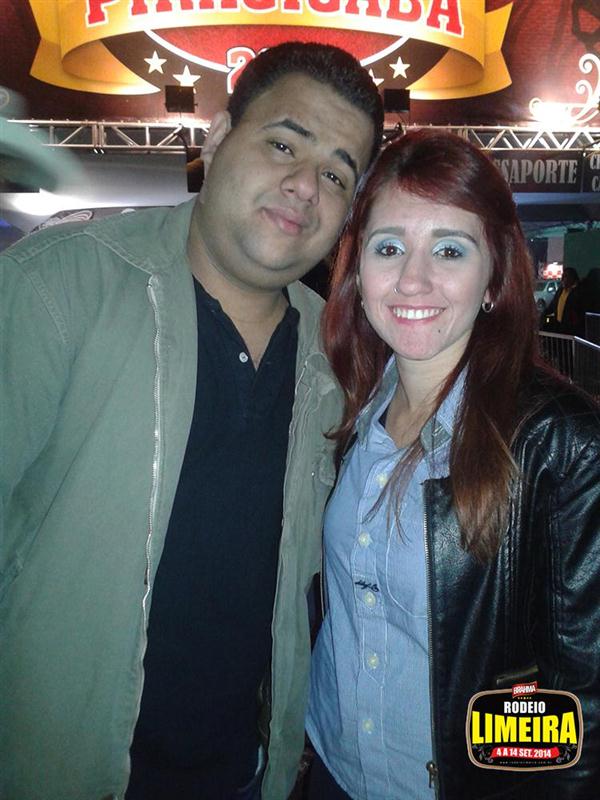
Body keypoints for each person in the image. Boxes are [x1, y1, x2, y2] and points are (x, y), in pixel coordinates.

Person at [0, 42, 383, 800]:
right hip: (56, 769)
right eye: (284, 144)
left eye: (337, 175)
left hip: (249, 774)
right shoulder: (61, 285)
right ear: (218, 137)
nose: (305, 186)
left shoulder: (340, 360)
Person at [306, 130, 600, 799]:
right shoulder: (352, 409)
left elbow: (584, 700)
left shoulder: (561, 442)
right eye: (388, 248)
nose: (413, 280)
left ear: (494, 275)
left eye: (449, 249)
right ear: (358, 270)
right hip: (333, 769)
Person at [542, 266, 584, 335]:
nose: (562, 279)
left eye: (565, 277)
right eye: (563, 276)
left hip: (572, 329)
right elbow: (553, 305)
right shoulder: (560, 290)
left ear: (572, 278)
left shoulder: (579, 292)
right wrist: (544, 313)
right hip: (559, 326)